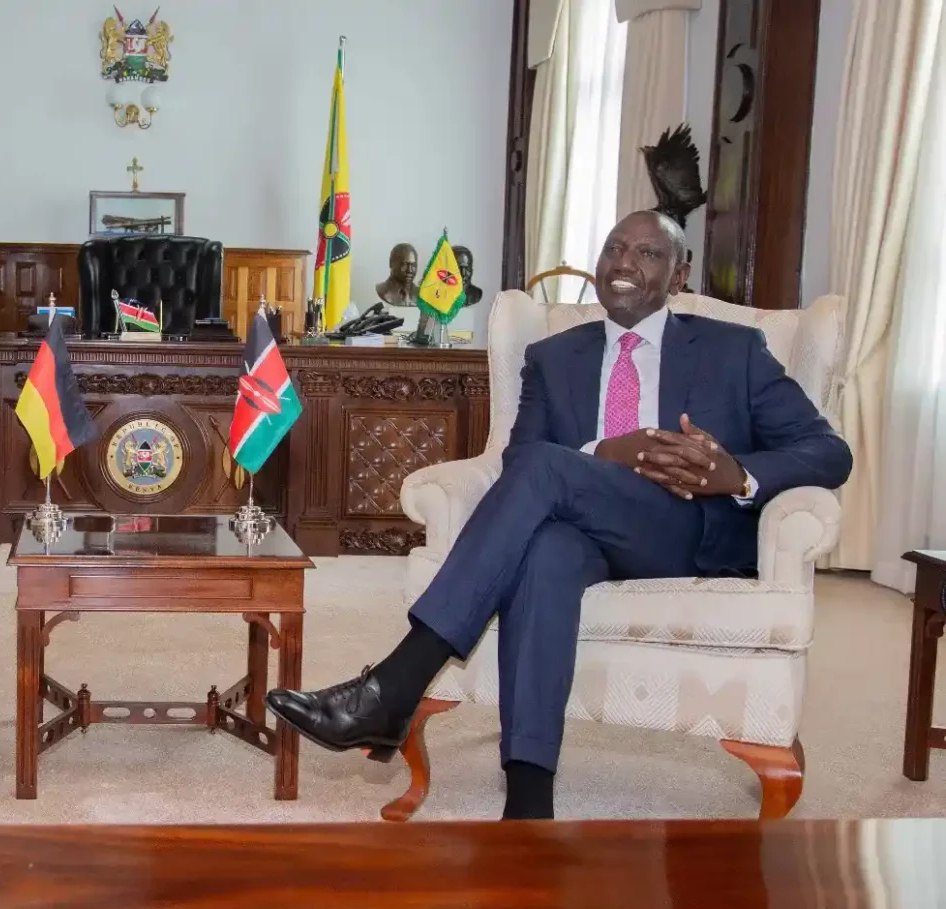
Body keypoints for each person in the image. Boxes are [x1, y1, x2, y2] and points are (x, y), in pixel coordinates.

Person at [266, 211, 853, 820]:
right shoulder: (553, 356)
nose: (625, 263)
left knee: (549, 470)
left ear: (679, 276)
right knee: (546, 553)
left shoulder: (735, 351)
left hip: (686, 529)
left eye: (648, 254)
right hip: (586, 535)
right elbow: (518, 465)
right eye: (614, 248)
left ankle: (396, 683)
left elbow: (828, 451)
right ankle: (527, 801)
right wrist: (605, 454)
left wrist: (735, 474)